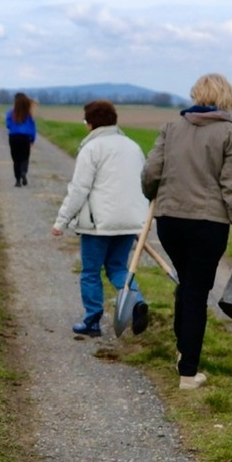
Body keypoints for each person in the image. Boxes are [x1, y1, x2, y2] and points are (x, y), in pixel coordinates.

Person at [141, 73, 232, 390]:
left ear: (196, 96)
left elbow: (150, 172)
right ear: (227, 99)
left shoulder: (171, 128)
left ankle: (182, 351)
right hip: (208, 225)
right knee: (195, 291)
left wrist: (152, 192)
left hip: (170, 221)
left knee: (187, 284)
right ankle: (189, 373)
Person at [50, 100, 149, 338]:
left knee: (91, 272)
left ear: (91, 122)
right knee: (117, 267)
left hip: (98, 224)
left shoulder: (92, 148)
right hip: (130, 221)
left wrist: (61, 221)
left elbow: (79, 189)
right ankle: (137, 302)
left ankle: (92, 320)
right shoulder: (133, 147)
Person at [4, 92, 37, 187]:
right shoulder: (28, 114)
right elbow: (33, 127)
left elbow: (8, 124)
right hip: (25, 138)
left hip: (13, 137)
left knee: (16, 159)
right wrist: (32, 139)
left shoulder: (11, 112)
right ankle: (23, 172)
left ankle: (18, 181)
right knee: (24, 158)